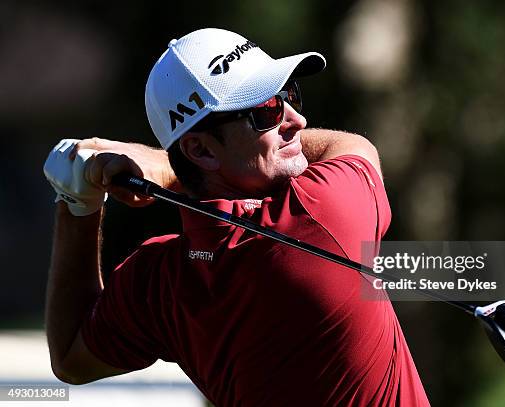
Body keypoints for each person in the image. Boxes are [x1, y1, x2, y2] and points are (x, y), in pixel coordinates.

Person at [43, 28, 430, 406]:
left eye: (288, 95)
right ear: (202, 150)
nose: (296, 120)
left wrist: (77, 202)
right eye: (267, 110)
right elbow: (353, 147)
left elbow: (71, 360)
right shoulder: (323, 216)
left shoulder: (157, 284)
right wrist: (166, 168)